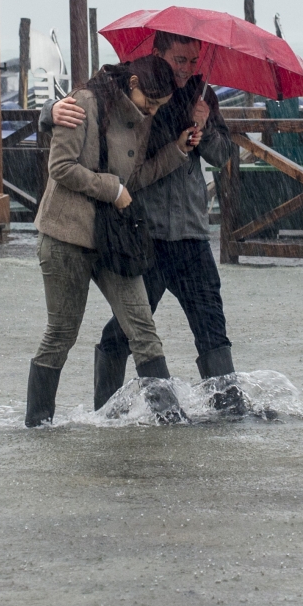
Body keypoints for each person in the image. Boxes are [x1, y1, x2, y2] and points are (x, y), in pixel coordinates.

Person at [48, 32, 237, 409]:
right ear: (158, 54)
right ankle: (107, 409)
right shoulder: (135, 89)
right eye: (179, 60)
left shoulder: (204, 96)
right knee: (128, 329)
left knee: (212, 327)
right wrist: (47, 112)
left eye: (191, 61)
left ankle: (230, 410)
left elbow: (223, 154)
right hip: (144, 233)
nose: (186, 69)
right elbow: (88, 104)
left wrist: (207, 125)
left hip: (191, 233)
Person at [26, 54, 198, 427]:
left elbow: (134, 179)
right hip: (66, 235)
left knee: (143, 330)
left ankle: (171, 419)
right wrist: (110, 188)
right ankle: (37, 425)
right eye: (149, 103)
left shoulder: (140, 121)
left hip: (113, 240)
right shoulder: (82, 104)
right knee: (61, 334)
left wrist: (177, 152)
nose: (152, 111)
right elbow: (61, 168)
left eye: (159, 106)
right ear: (132, 84)